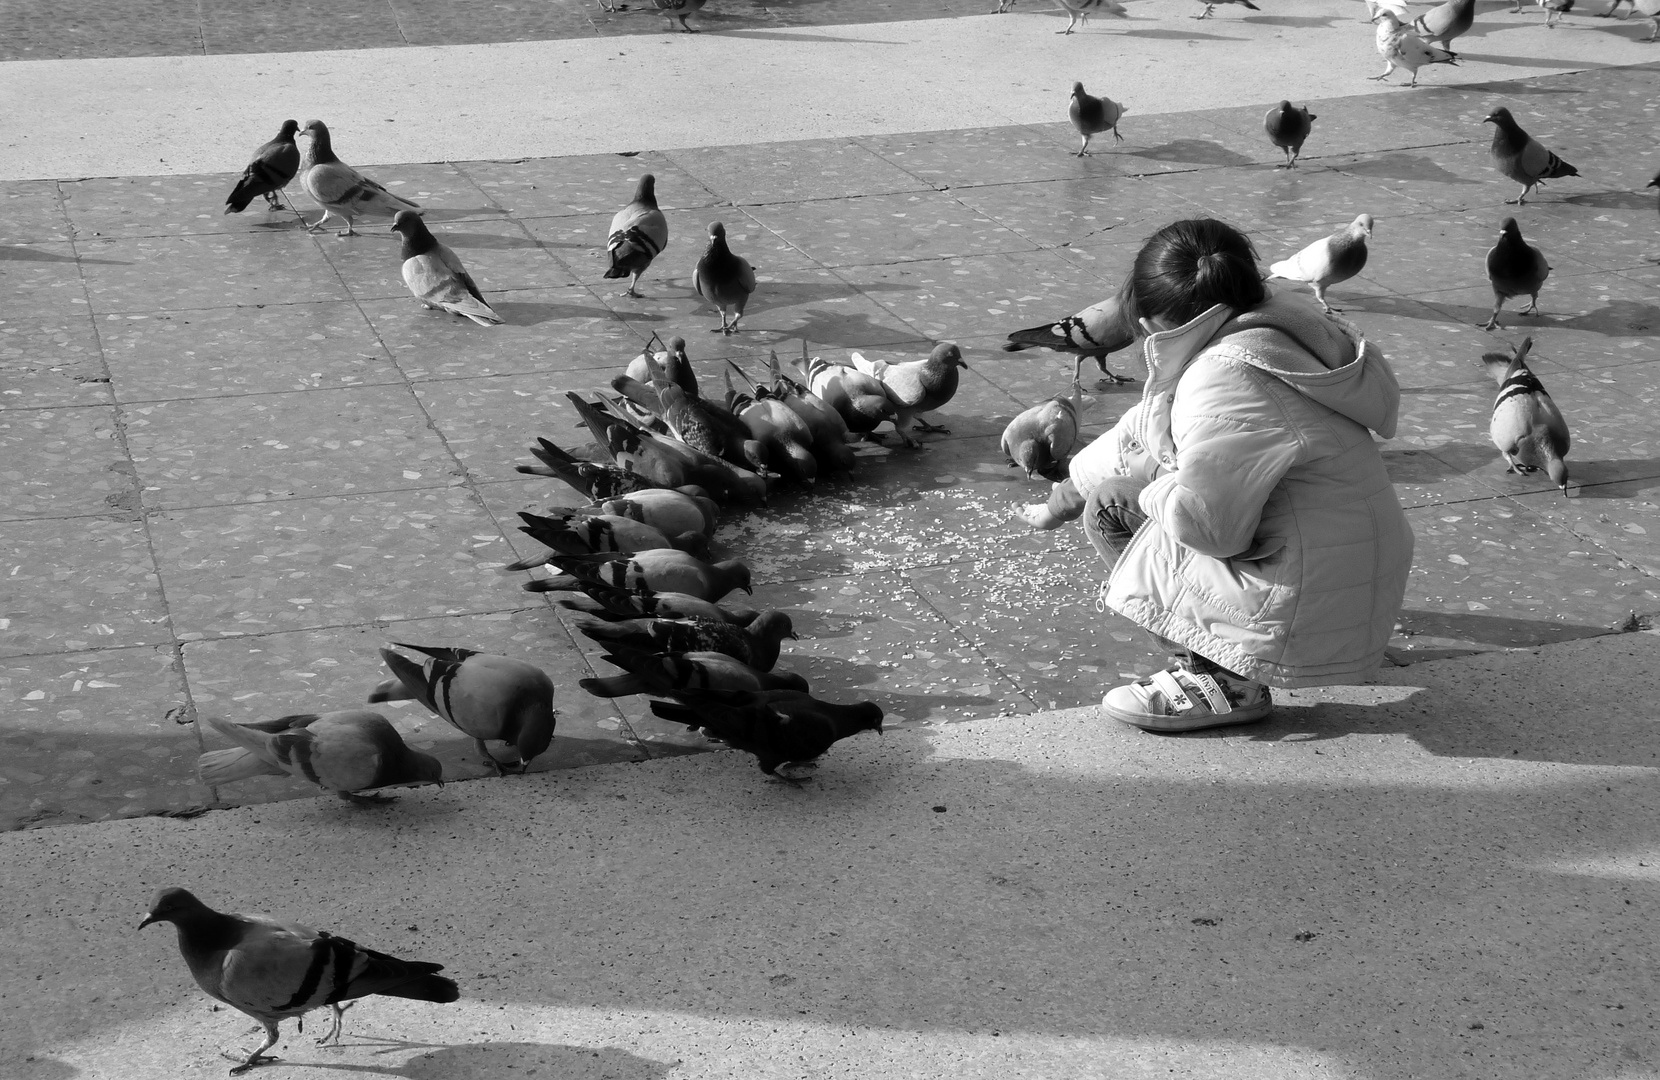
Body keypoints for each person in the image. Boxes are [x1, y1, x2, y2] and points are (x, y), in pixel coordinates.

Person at [1019, 218, 1414, 732]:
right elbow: (1141, 430)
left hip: (1304, 590)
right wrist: (1065, 492)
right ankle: (1239, 659)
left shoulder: (1223, 374)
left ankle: (1224, 680)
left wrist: (1160, 481)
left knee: (1114, 504)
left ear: (1157, 316)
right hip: (1352, 572)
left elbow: (1209, 527)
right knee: (1115, 484)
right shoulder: (1277, 327)